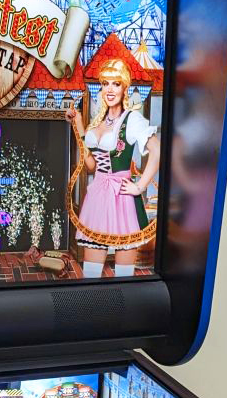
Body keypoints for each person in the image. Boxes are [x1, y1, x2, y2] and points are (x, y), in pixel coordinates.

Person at [66, 58, 160, 279]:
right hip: (97, 197)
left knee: (123, 277)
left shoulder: (132, 119)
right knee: (90, 275)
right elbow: (91, 167)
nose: (110, 89)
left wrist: (139, 187)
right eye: (105, 83)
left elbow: (156, 150)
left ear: (124, 87)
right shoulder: (97, 123)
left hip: (122, 198)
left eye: (116, 84)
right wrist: (77, 125)